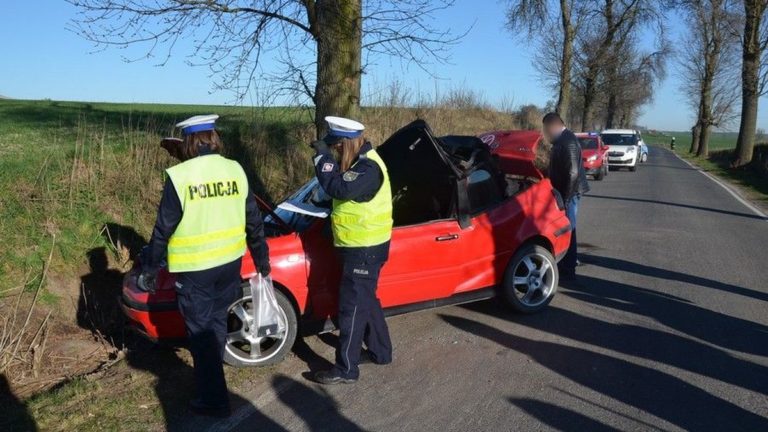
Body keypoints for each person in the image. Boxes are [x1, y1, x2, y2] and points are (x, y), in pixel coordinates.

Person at [139, 114, 271, 417]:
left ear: (188, 141)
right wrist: (261, 259)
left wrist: (149, 267)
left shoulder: (180, 175)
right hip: (229, 264)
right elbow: (254, 219)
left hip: (196, 269)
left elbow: (163, 228)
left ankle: (214, 399)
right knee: (215, 326)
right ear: (213, 138)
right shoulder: (235, 169)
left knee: (200, 333)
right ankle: (212, 384)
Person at [310, 116, 393, 385]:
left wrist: (322, 158)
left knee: (351, 309)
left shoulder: (368, 168)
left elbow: (338, 186)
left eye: (336, 147)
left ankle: (346, 368)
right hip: (361, 247)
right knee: (366, 301)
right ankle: (381, 352)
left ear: (347, 142)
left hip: (364, 250)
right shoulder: (361, 163)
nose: (334, 151)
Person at [542, 112, 589, 281]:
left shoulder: (568, 141)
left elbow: (572, 173)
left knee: (569, 230)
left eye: (547, 129)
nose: (546, 133)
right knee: (567, 229)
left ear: (553, 126)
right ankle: (566, 264)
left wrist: (566, 198)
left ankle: (568, 269)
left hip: (570, 193)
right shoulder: (562, 139)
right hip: (568, 192)